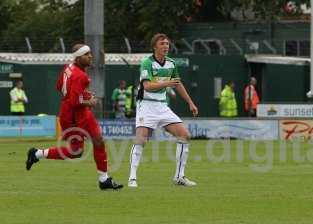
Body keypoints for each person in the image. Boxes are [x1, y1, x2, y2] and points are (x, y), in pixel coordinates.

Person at [25, 44, 123, 190]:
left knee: (98, 141)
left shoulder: (68, 68)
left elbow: (59, 87)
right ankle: (37, 153)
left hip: (78, 113)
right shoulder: (80, 75)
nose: (90, 56)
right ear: (78, 58)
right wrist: (89, 100)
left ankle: (104, 180)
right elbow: (75, 101)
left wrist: (83, 95)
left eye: (90, 53)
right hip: (72, 117)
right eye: (86, 54)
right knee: (76, 152)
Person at [128, 33, 198, 188]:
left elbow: (177, 84)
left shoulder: (171, 64)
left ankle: (179, 177)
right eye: (162, 44)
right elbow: (147, 86)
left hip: (162, 106)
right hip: (146, 105)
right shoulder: (147, 63)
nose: (166, 46)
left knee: (184, 135)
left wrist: (190, 102)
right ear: (155, 47)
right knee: (141, 139)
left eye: (167, 43)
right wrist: (167, 83)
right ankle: (132, 178)